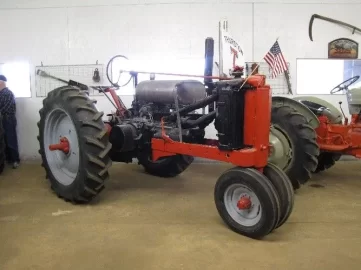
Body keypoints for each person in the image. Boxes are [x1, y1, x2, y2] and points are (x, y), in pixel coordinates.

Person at [0, 75, 20, 169]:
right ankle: (9, 159)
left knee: (10, 139)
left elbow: (5, 108)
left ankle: (15, 160)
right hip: (4, 119)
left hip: (8, 119)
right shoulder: (2, 93)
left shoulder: (7, 93)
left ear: (1, 83)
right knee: (5, 140)